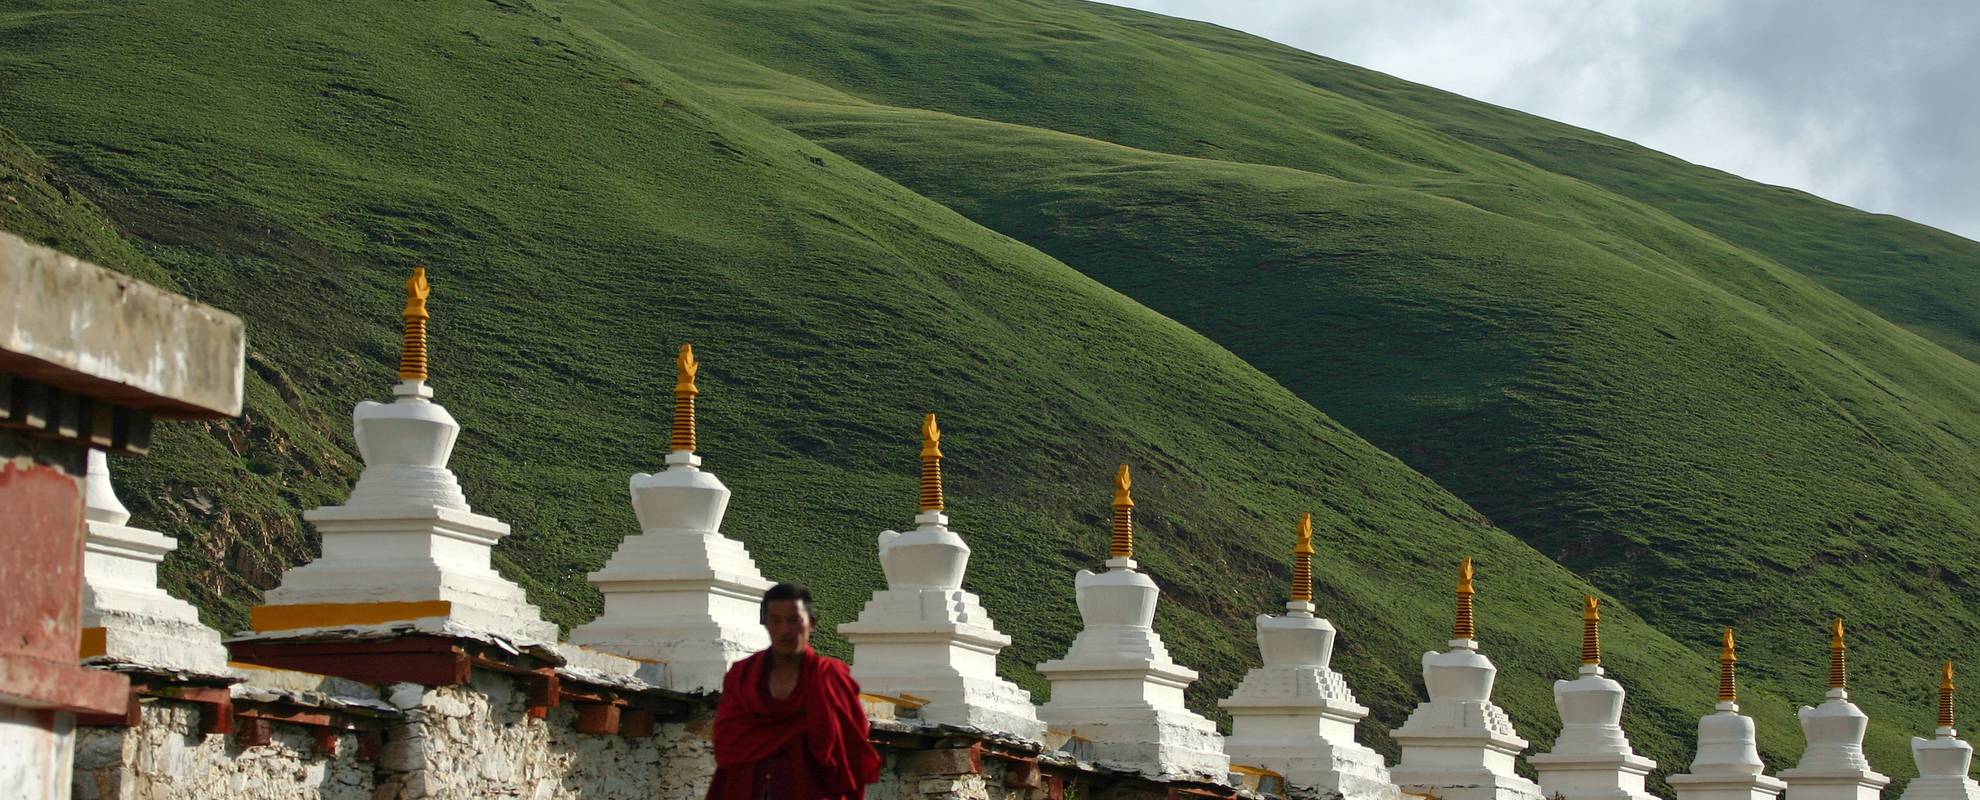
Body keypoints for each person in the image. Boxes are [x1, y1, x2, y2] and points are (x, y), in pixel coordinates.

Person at [707, 582, 882, 799]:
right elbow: (727, 744)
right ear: (765, 624)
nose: (785, 631)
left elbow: (849, 755)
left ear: (812, 624)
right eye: (775, 621)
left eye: (794, 621)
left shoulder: (830, 678)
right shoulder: (743, 676)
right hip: (748, 789)